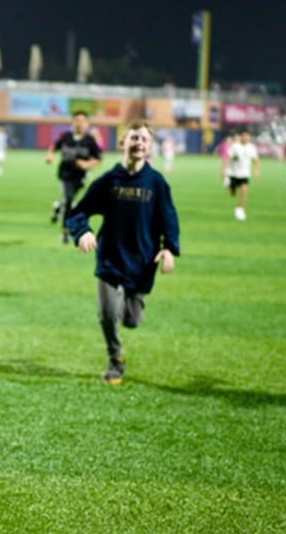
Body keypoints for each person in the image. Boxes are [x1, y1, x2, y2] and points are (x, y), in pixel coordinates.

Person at [66, 121, 180, 385]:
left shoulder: (156, 183)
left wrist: (169, 249)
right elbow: (78, 212)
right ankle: (115, 359)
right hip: (110, 258)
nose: (139, 143)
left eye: (144, 139)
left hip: (142, 261)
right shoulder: (109, 181)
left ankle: (128, 306)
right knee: (108, 313)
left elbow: (169, 218)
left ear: (149, 147)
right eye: (134, 138)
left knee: (132, 320)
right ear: (122, 143)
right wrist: (83, 231)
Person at [45, 111, 103, 243]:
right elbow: (54, 147)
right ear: (72, 122)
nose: (79, 123)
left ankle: (58, 207)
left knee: (69, 199)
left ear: (87, 124)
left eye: (82, 121)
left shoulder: (89, 141)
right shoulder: (66, 137)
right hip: (65, 175)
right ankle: (65, 231)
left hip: (81, 177)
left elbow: (98, 158)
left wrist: (87, 164)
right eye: (77, 120)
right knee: (69, 200)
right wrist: (50, 155)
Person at [225, 129, 260, 220]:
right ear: (241, 136)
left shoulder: (251, 147)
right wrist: (234, 159)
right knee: (232, 193)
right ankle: (229, 185)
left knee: (244, 190)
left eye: (247, 136)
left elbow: (256, 160)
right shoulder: (235, 146)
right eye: (244, 136)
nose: (246, 137)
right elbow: (229, 158)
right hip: (234, 173)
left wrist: (256, 171)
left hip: (244, 173)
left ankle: (240, 209)